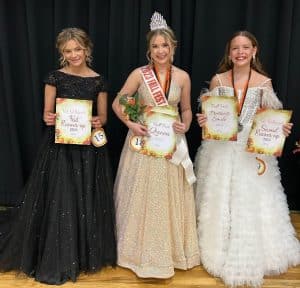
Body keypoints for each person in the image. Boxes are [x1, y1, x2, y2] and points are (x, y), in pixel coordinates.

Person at [0, 27, 116, 284]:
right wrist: (49, 117)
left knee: (83, 196)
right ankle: (57, 252)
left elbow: (104, 117)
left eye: (77, 49)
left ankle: (82, 254)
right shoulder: (55, 77)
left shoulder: (99, 80)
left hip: (87, 149)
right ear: (62, 53)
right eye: (68, 51)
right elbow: (46, 114)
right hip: (59, 147)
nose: (74, 55)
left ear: (87, 49)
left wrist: (97, 121)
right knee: (60, 197)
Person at [194, 30, 300, 287]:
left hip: (250, 151)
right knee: (219, 196)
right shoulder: (218, 80)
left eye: (245, 47)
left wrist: (280, 129)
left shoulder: (264, 83)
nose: (240, 52)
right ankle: (214, 246)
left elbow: (270, 119)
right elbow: (212, 115)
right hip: (221, 146)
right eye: (235, 48)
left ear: (254, 51)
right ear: (229, 54)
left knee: (250, 198)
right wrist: (204, 120)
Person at [112, 12, 200, 278]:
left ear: (173, 47)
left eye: (165, 45)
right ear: (149, 50)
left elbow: (186, 110)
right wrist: (131, 124)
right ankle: (135, 253)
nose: (161, 51)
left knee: (168, 198)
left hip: (171, 143)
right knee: (141, 196)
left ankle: (170, 252)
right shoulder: (139, 74)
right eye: (155, 46)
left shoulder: (183, 77)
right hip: (143, 140)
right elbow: (119, 102)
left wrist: (186, 125)